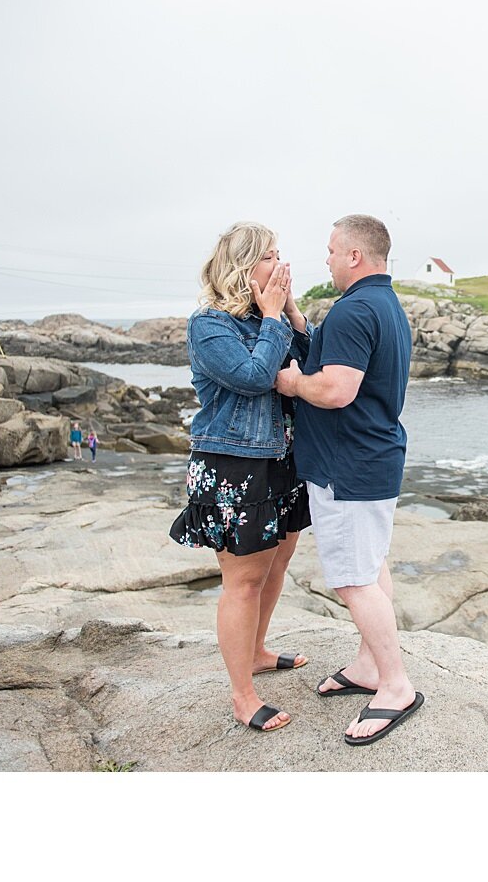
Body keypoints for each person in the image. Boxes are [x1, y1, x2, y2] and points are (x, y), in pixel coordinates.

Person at [276, 214, 423, 746]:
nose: (329, 259)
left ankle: (394, 685)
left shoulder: (353, 309)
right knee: (371, 565)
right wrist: (293, 313)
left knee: (353, 579)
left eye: (333, 251)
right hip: (373, 458)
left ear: (355, 256)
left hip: (347, 465)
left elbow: (336, 389)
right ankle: (367, 665)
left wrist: (291, 382)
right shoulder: (383, 304)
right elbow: (337, 357)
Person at [168, 221, 314, 734]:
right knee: (244, 581)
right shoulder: (210, 325)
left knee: (276, 566)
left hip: (282, 462)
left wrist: (291, 313)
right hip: (234, 465)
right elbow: (254, 379)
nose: (282, 265)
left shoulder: (271, 319)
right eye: (271, 257)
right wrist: (274, 317)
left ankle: (255, 651)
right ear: (244, 266)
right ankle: (242, 696)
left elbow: (312, 367)